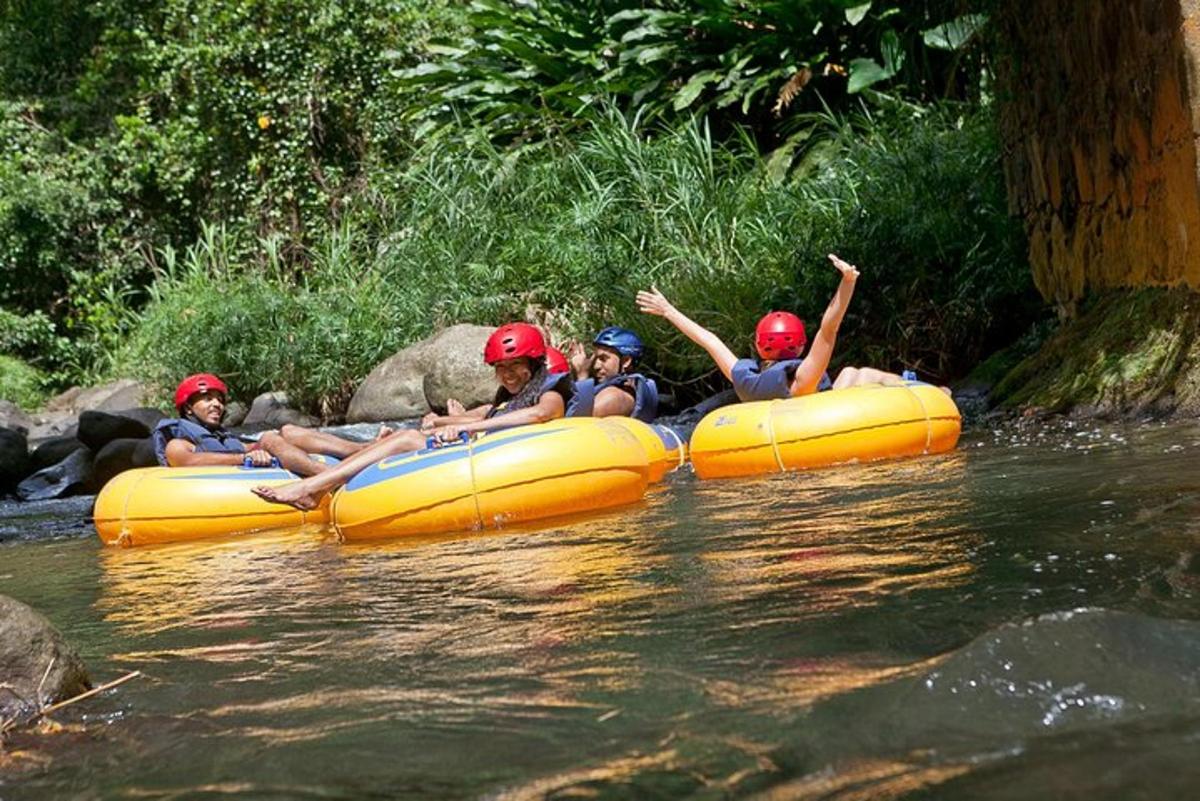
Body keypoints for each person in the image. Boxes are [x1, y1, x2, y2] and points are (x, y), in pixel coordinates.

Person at [253, 323, 573, 510]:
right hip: (481, 455)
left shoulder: (550, 386)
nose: (508, 374)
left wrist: (468, 426)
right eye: (501, 368)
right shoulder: (509, 396)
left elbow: (544, 414)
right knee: (402, 437)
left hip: (506, 463)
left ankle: (315, 485)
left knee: (406, 439)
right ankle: (320, 481)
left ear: (532, 364)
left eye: (515, 365)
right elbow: (490, 417)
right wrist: (448, 424)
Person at [636, 254, 917, 402]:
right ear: (800, 345)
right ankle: (923, 389)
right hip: (814, 420)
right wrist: (848, 281)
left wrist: (668, 310)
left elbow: (709, 340)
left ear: (759, 345)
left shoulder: (744, 380)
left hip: (768, 426)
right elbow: (829, 327)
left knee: (851, 375)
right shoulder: (804, 379)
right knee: (856, 373)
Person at [153, 373, 385, 475]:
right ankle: (330, 476)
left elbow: (241, 448)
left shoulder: (221, 437)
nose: (216, 405)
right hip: (210, 489)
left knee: (287, 431)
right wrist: (246, 458)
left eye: (219, 400)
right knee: (269, 439)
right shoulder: (179, 443)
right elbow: (187, 461)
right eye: (206, 399)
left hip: (242, 461)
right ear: (187, 408)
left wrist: (258, 449)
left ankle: (367, 449)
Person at [564, 327, 658, 422]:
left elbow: (576, 422)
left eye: (603, 359)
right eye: (595, 358)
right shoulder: (614, 388)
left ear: (626, 361)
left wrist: (582, 375)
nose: (596, 366)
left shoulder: (617, 397)